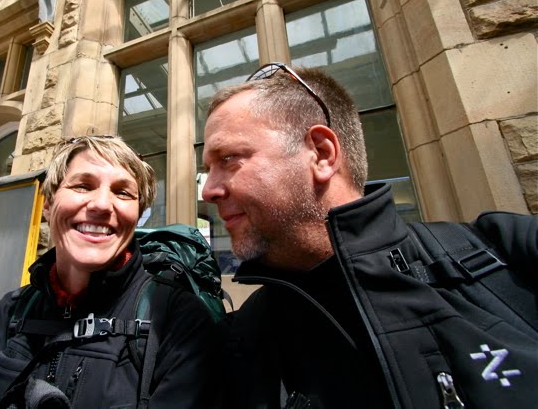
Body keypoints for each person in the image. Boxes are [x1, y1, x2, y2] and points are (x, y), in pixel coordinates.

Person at [201, 63, 538, 408]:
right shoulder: (244, 339)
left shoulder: (506, 253)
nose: (208, 191)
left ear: (321, 154)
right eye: (207, 169)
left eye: (229, 158)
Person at [0, 135, 222, 408]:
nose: (102, 204)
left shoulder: (177, 317)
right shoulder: (12, 313)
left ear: (137, 215)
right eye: (82, 186)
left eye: (123, 193)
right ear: (48, 206)